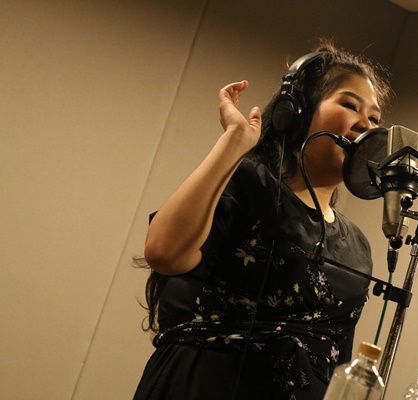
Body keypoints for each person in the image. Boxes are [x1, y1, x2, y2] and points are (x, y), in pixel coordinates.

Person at [133, 39, 391, 400]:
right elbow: (164, 252)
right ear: (296, 112)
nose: (366, 125)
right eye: (350, 105)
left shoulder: (357, 245)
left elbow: (337, 364)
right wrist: (235, 143)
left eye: (375, 119)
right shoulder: (249, 184)